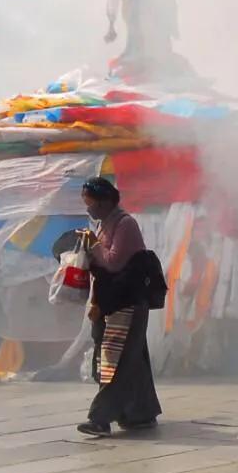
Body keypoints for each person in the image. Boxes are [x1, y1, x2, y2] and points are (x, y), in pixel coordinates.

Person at [76, 176, 162, 436]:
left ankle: (99, 418)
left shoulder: (126, 225)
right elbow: (99, 272)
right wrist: (95, 302)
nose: (88, 207)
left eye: (90, 202)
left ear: (104, 201)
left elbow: (113, 263)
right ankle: (139, 414)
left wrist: (93, 245)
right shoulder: (104, 226)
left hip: (128, 304)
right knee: (132, 360)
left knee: (117, 362)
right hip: (109, 303)